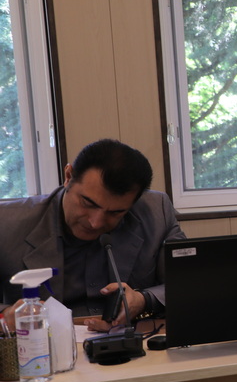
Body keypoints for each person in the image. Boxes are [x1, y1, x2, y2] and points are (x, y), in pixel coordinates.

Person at [0, 138, 185, 332]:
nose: (95, 222)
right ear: (68, 176)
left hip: (135, 340)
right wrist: (7, 317)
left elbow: (187, 282)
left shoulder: (156, 212)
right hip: (42, 343)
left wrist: (143, 299)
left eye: (115, 213)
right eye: (88, 203)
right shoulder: (7, 224)